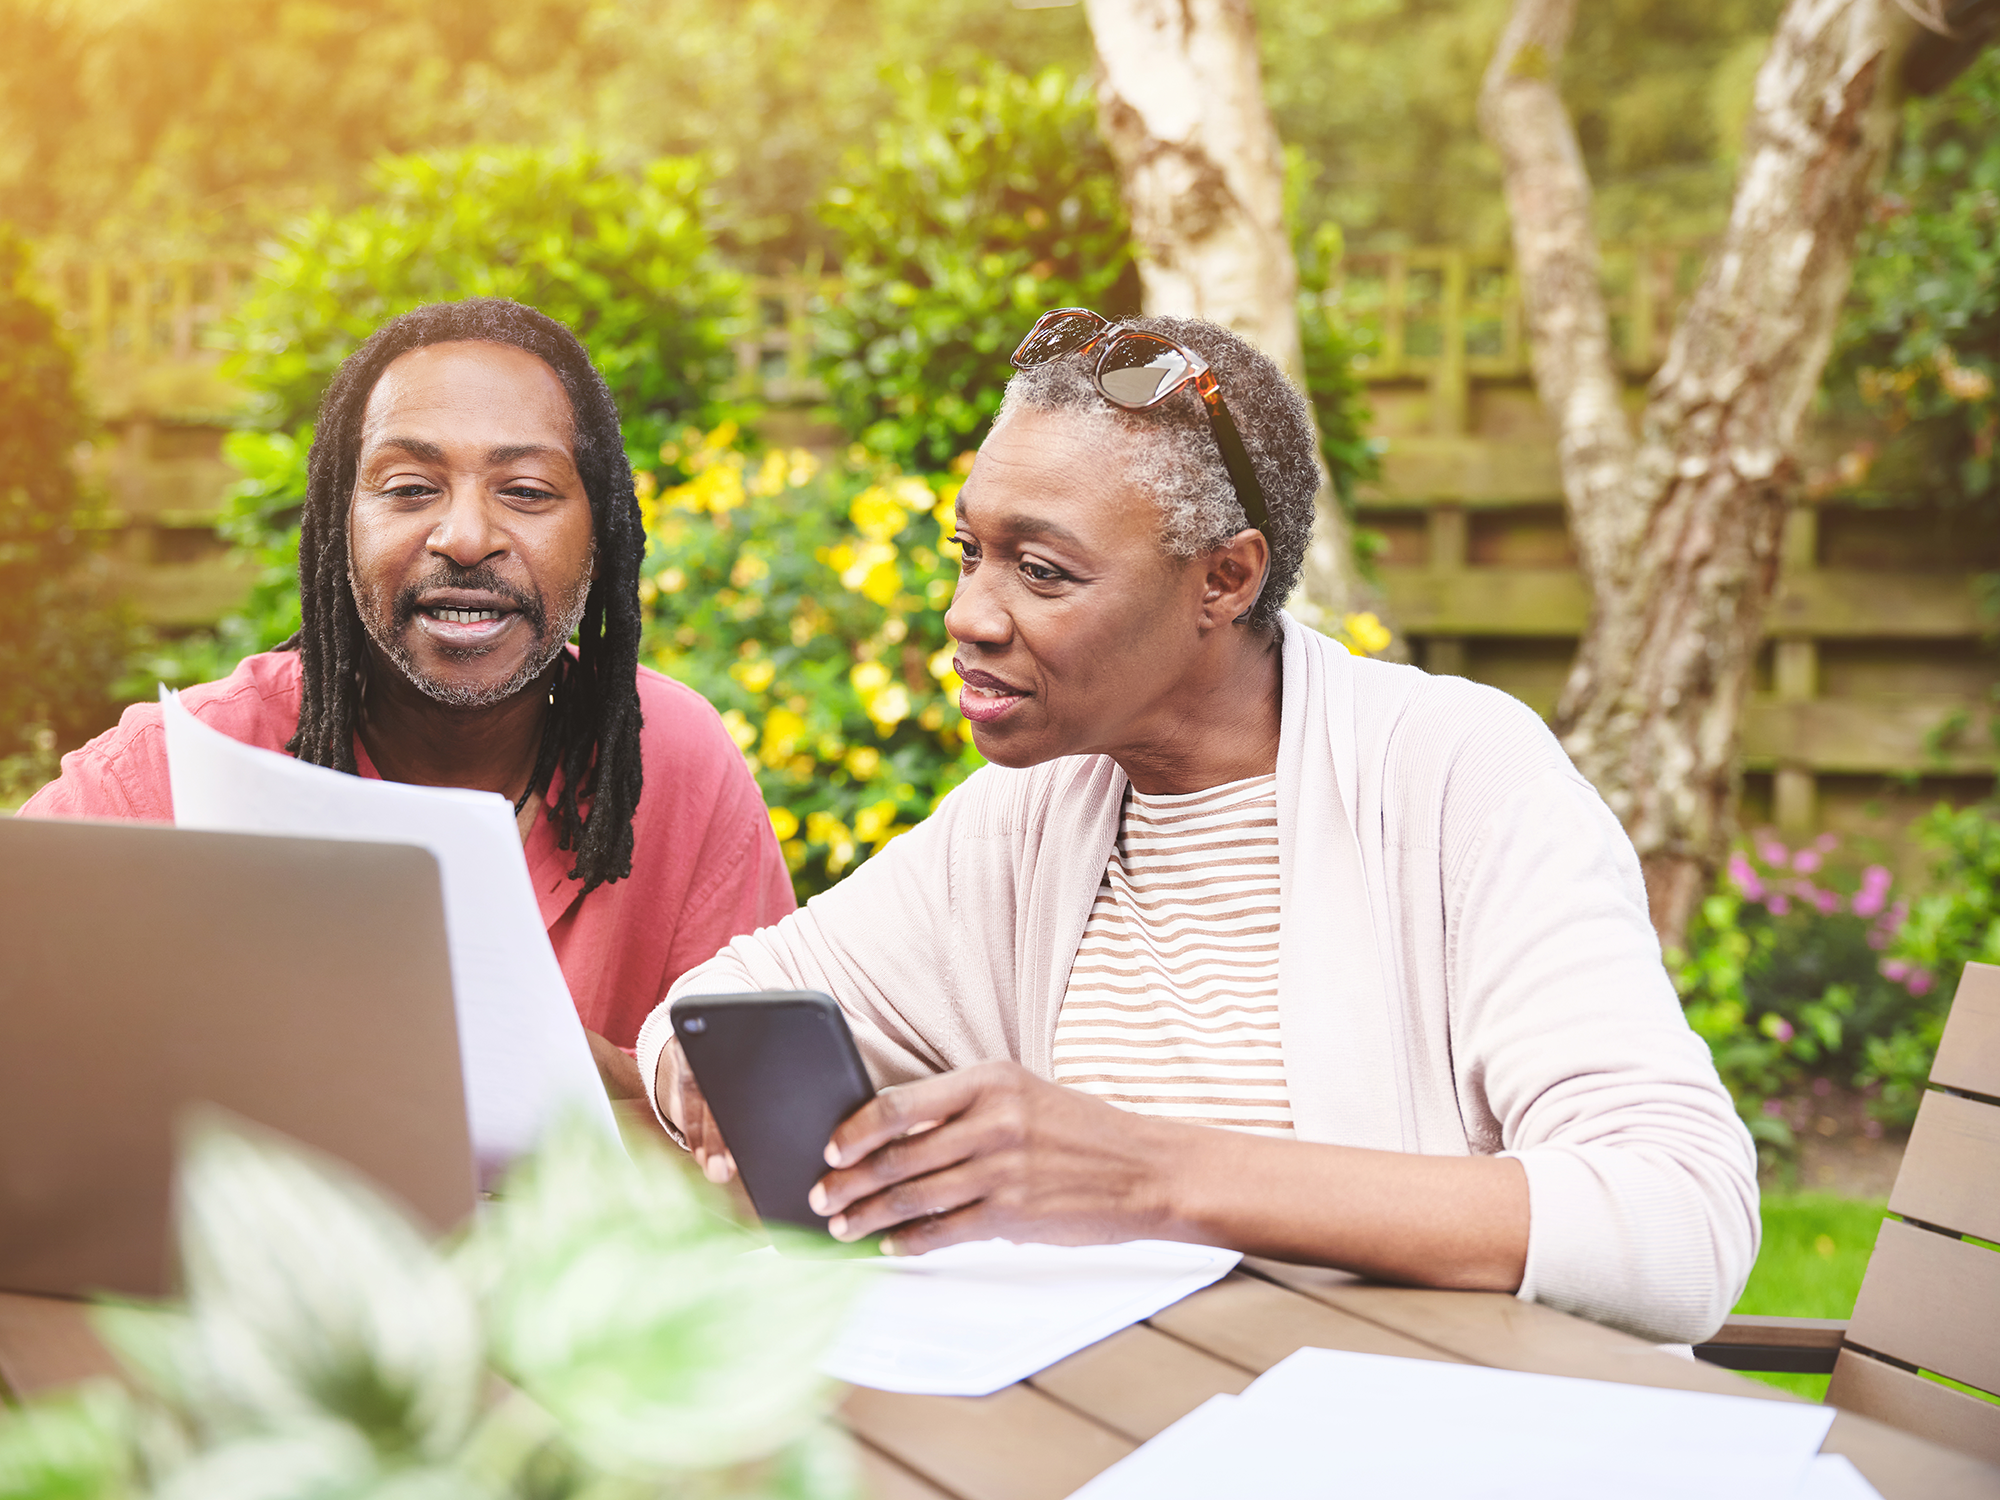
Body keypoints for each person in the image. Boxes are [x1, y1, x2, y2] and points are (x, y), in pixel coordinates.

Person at [638, 309, 1759, 1344]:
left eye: (1040, 569)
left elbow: (1678, 1221)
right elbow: (714, 1012)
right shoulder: (1033, 816)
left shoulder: (1455, 775)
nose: (968, 615)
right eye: (967, 552)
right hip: (1091, 1428)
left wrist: (1142, 1177)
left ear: (1223, 580)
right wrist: (744, 1103)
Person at [24, 298, 793, 1089]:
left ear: (599, 532)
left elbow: (765, 1146)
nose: (465, 536)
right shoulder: (165, 780)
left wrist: (602, 1091)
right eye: (409, 487)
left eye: (526, 490)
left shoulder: (674, 764)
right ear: (340, 521)